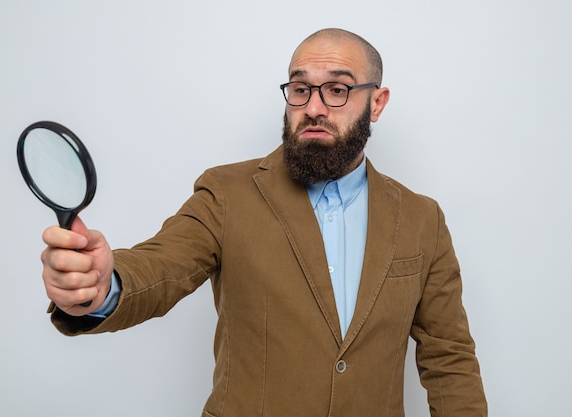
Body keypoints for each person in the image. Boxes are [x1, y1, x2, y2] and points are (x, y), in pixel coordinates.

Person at [41, 28, 487, 416]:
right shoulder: (226, 193)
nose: (314, 107)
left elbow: (449, 357)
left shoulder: (421, 218)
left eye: (337, 90)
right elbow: (161, 267)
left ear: (377, 102)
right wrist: (104, 286)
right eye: (300, 89)